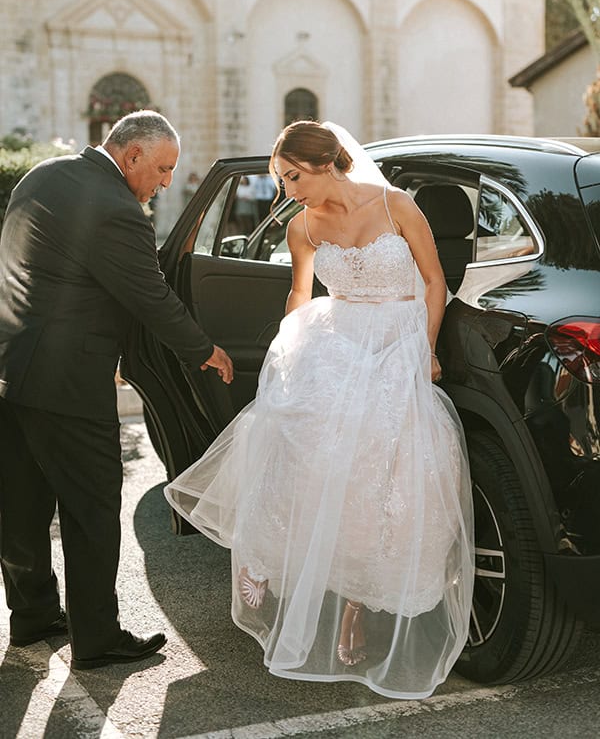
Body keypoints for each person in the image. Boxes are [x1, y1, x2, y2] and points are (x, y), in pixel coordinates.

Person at [165, 120, 473, 698]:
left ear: (327, 162)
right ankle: (263, 552)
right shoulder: (302, 228)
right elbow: (301, 294)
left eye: (292, 176)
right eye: (281, 180)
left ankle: (356, 603)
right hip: (338, 333)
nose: (287, 191)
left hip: (399, 336)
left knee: (382, 468)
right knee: (293, 435)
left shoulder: (398, 206)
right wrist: (289, 348)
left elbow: (434, 282)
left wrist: (426, 350)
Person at [0, 110, 233, 671]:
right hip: (69, 381)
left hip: (11, 366)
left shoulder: (43, 177)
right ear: (131, 156)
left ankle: (32, 614)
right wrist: (204, 349)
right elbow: (149, 295)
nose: (165, 182)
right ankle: (98, 637)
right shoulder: (117, 210)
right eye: (162, 168)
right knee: (93, 506)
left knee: (20, 503)